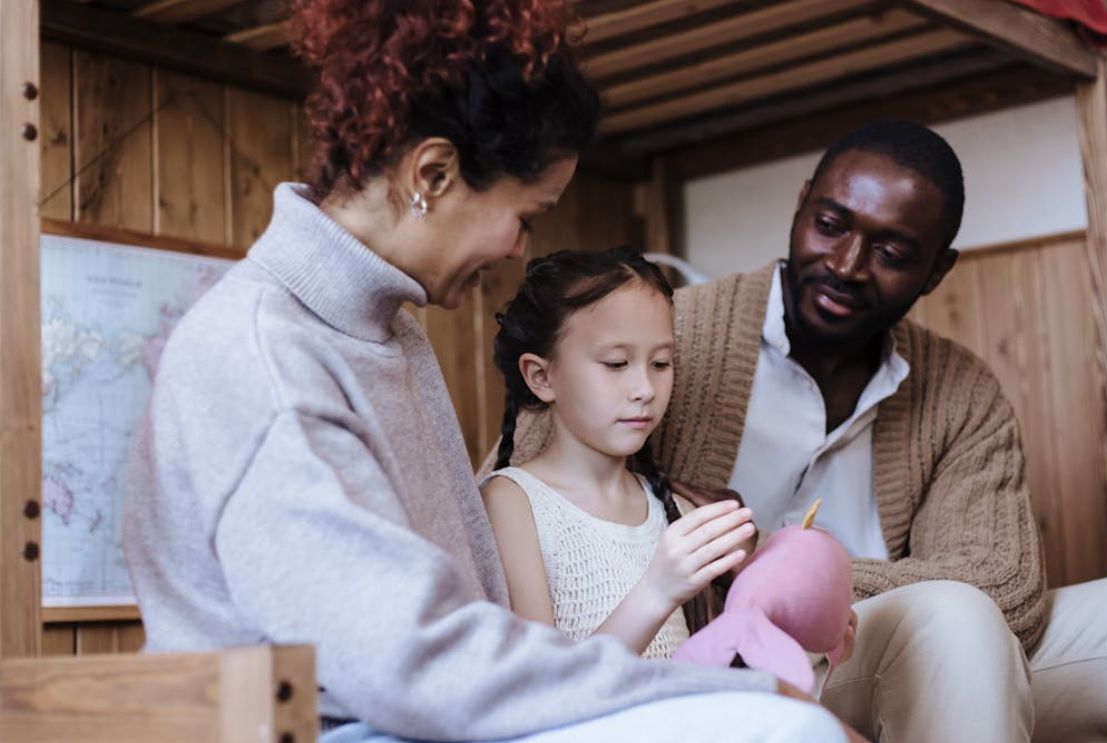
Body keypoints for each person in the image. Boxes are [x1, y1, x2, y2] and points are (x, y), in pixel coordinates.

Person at [121, 1, 848, 742]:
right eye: (524, 217)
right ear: (432, 173)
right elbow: (414, 665)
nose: (514, 249)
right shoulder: (264, 359)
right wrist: (731, 692)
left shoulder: (386, 330)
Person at [501, 120, 1107, 742]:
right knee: (951, 611)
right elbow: (530, 480)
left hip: (891, 643)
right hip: (721, 648)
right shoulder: (671, 337)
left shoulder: (958, 391)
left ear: (935, 271)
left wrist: (786, 568)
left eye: (892, 253)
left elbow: (1007, 590)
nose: (846, 264)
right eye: (829, 225)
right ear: (800, 207)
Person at [482, 247, 755, 658]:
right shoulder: (512, 503)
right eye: (616, 363)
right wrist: (656, 591)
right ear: (541, 376)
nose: (645, 388)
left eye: (661, 363)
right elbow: (539, 689)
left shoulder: (676, 511)